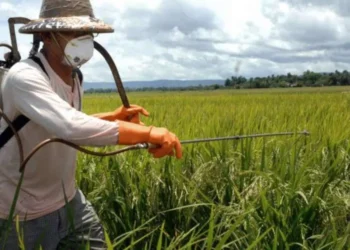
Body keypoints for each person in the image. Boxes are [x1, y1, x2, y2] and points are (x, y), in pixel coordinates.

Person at [0, 0, 182, 249]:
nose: (83, 39)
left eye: (87, 32)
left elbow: (64, 123)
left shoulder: (74, 75)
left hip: (69, 200)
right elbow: (70, 126)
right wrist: (147, 133)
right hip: (22, 212)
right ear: (45, 35)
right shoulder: (24, 77)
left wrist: (112, 117)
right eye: (73, 32)